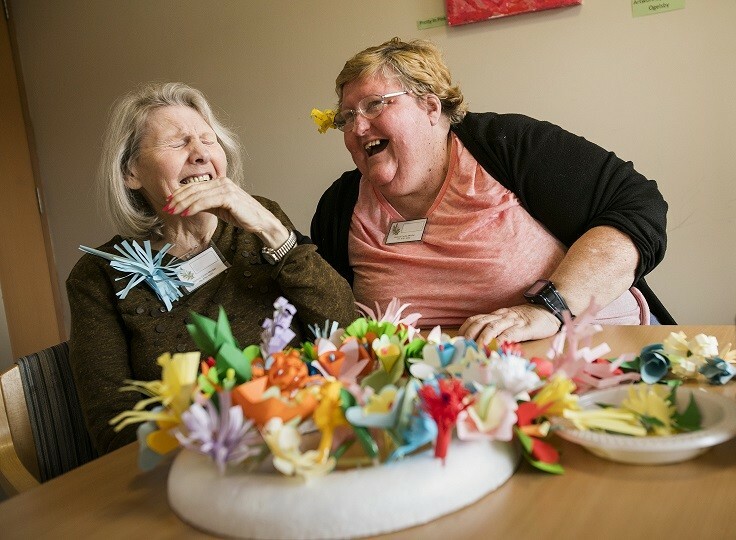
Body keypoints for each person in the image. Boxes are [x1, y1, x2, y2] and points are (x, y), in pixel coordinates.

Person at [311, 37, 674, 346]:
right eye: (345, 118)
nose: (357, 127)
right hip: (441, 393)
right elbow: (330, 317)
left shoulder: (507, 146)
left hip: (598, 354)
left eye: (374, 104)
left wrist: (550, 308)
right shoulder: (339, 208)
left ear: (430, 106)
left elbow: (638, 206)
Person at [68, 82, 357, 454]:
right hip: (201, 461)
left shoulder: (259, 221)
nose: (201, 154)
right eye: (178, 143)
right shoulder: (98, 276)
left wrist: (273, 230)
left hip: (309, 432)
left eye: (209, 140)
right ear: (131, 172)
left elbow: (344, 331)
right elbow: (113, 427)